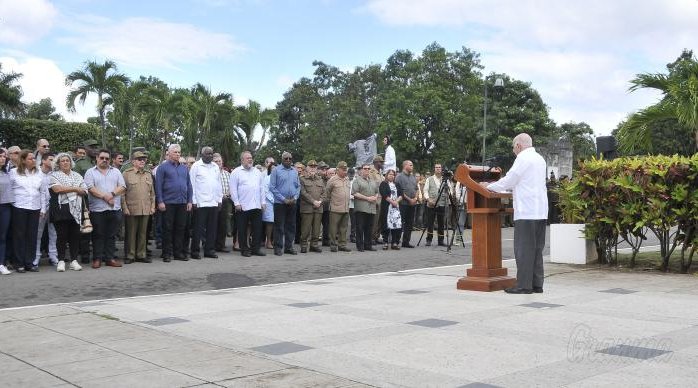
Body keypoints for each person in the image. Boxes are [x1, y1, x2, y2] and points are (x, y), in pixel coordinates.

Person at [485, 133, 548, 294]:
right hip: (540, 211)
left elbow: (510, 180)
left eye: (514, 147)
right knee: (536, 250)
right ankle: (536, 284)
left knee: (524, 249)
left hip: (526, 211)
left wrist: (488, 186)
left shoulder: (522, 158)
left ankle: (523, 286)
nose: (513, 151)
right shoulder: (539, 159)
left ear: (519, 145)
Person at [84, 149, 126, 269]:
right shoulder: (90, 172)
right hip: (97, 209)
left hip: (114, 208)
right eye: (102, 158)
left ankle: (110, 258)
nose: (104, 160)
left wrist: (111, 194)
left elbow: (122, 186)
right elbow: (90, 188)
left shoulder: (116, 171)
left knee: (111, 235)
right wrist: (105, 197)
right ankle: (97, 258)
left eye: (107, 158)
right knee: (98, 235)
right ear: (97, 158)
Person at [48, 152, 88, 272]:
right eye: (63, 161)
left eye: (67, 160)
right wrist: (75, 188)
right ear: (58, 164)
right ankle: (60, 261)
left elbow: (85, 190)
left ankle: (74, 261)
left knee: (75, 236)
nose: (65, 162)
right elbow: (57, 189)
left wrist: (69, 188)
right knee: (62, 236)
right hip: (61, 209)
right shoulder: (54, 176)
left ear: (71, 163)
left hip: (77, 208)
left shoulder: (78, 176)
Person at [9, 150, 46, 272]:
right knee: (19, 236)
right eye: (30, 159)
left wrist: (43, 208)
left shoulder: (39, 173)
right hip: (19, 207)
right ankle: (19, 263)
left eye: (34, 159)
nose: (33, 160)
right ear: (23, 160)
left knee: (32, 235)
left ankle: (29, 262)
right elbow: (8, 190)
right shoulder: (14, 172)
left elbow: (43, 192)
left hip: (35, 207)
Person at [155, 144, 193, 262]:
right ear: (169, 153)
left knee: (180, 228)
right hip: (168, 202)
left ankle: (178, 253)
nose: (178, 154)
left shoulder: (184, 168)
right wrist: (160, 201)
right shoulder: (163, 168)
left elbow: (189, 185)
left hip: (182, 202)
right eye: (175, 152)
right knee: (167, 228)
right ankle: (167, 253)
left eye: (179, 152)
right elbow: (158, 186)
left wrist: (189, 200)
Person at [230, 151, 266, 257]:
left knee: (257, 228)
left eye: (251, 158)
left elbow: (262, 188)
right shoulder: (236, 172)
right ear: (242, 160)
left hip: (256, 205)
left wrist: (263, 202)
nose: (250, 159)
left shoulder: (257, 172)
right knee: (242, 229)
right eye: (247, 158)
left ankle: (256, 249)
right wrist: (236, 203)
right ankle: (244, 249)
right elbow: (233, 190)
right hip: (243, 206)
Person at [122, 151, 155, 264]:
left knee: (143, 233)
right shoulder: (126, 173)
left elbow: (152, 193)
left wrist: (152, 206)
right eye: (139, 159)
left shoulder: (148, 174)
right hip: (131, 207)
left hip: (145, 208)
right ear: (133, 161)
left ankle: (141, 254)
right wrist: (124, 207)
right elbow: (122, 193)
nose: (142, 161)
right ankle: (130, 255)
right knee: (131, 233)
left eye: (144, 159)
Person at [189, 147, 223, 259]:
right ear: (202, 155)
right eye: (207, 154)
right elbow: (192, 184)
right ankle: (195, 251)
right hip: (200, 203)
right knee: (198, 229)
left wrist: (219, 200)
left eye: (211, 154)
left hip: (213, 202)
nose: (209, 156)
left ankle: (209, 250)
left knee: (212, 229)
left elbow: (218, 184)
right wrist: (193, 201)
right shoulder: (196, 166)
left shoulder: (215, 167)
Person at [269, 151, 300, 256]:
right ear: (282, 159)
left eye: (290, 158)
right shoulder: (276, 171)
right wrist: (283, 199)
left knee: (291, 226)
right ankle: (278, 247)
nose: (288, 160)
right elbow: (272, 187)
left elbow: (298, 186)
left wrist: (295, 197)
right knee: (279, 226)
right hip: (280, 203)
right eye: (286, 158)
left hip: (292, 202)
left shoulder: (295, 171)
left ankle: (289, 247)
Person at [34, 152, 58, 267]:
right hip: (39, 207)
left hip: (52, 207)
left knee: (53, 232)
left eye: (54, 160)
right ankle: (36, 257)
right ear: (43, 161)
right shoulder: (35, 173)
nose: (53, 162)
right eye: (51, 159)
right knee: (38, 233)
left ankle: (53, 256)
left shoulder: (55, 174)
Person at [323, 161, 352, 252]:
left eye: (345, 170)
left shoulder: (347, 179)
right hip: (335, 208)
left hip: (345, 208)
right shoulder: (332, 180)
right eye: (343, 170)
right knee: (333, 228)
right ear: (338, 169)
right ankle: (333, 244)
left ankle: (342, 244)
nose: (345, 171)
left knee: (344, 228)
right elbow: (327, 193)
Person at [351, 163, 380, 252]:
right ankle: (360, 246)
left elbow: (377, 192)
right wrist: (367, 198)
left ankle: (368, 245)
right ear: (361, 170)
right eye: (365, 168)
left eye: (368, 169)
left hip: (371, 208)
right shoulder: (357, 180)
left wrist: (375, 197)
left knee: (369, 227)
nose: (367, 170)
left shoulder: (372, 181)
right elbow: (354, 193)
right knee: (360, 227)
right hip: (361, 208)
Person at [299, 160, 324, 253]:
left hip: (318, 207)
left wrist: (320, 201)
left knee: (317, 229)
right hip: (307, 208)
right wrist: (313, 201)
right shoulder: (302, 179)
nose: (313, 168)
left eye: (314, 167)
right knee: (305, 228)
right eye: (311, 167)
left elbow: (324, 192)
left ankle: (314, 245)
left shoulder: (320, 179)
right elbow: (303, 193)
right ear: (307, 168)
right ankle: (304, 245)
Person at [423, 163, 449, 247]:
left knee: (441, 223)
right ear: (434, 169)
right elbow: (425, 190)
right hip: (431, 204)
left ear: (441, 169)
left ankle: (441, 240)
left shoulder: (445, 179)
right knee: (430, 222)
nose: (438, 169)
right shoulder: (429, 179)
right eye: (436, 167)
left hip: (441, 203)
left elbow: (449, 191)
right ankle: (429, 240)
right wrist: (428, 199)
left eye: (439, 167)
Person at [395, 160, 418, 248]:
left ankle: (406, 242)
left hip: (412, 204)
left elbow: (416, 189)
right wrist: (409, 199)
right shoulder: (399, 177)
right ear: (405, 166)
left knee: (410, 223)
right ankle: (396, 241)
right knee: (400, 222)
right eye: (410, 165)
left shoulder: (413, 177)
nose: (412, 166)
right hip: (403, 203)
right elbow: (400, 191)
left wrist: (415, 198)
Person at [214, 153, 233, 253]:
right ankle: (212, 245)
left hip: (225, 201)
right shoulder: (211, 174)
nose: (218, 163)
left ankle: (221, 245)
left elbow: (231, 187)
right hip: (214, 201)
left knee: (223, 224)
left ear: (222, 162)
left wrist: (228, 193)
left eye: (219, 161)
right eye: (216, 162)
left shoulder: (227, 174)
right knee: (213, 224)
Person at [379, 169, 402, 250]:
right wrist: (392, 202)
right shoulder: (383, 184)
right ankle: (385, 242)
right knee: (386, 225)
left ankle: (394, 242)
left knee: (396, 225)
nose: (391, 176)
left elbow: (401, 194)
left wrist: (396, 202)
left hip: (396, 208)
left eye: (393, 174)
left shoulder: (397, 184)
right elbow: (384, 194)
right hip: (387, 207)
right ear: (386, 175)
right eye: (390, 174)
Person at [0, 149, 13, 274]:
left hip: (5, 207)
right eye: (0, 156)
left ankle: (1, 263)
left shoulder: (7, 173)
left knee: (3, 236)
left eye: (4, 156)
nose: (3, 158)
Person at [369, 155, 384, 244]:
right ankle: (371, 237)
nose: (382, 163)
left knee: (380, 220)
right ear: (376, 163)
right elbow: (372, 185)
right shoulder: (372, 172)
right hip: (375, 199)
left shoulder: (380, 172)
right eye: (381, 162)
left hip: (382, 198)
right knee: (374, 220)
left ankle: (377, 236)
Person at [262, 161, 275, 249]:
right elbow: (265, 191)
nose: (275, 170)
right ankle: (268, 241)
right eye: (273, 169)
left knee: (277, 222)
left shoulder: (280, 178)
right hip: (269, 202)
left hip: (279, 202)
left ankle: (274, 241)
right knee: (269, 221)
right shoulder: (267, 178)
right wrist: (273, 200)